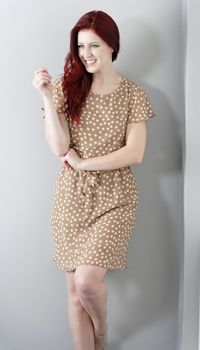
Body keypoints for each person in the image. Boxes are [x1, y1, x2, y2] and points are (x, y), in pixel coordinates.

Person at [32, 9, 156, 350]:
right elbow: (58, 146)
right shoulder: (64, 88)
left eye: (94, 46)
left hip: (116, 198)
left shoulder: (133, 95)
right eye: (80, 46)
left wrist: (85, 164)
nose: (86, 54)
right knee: (74, 295)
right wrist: (45, 95)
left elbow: (135, 153)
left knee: (87, 284)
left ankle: (101, 332)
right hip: (72, 199)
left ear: (112, 47)